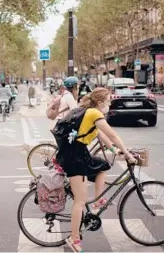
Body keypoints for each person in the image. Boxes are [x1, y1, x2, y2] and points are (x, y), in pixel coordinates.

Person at [57, 88, 137, 252]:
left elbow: (101, 135)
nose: (109, 104)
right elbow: (113, 135)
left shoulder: (88, 111)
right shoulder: (94, 113)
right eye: (108, 101)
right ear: (100, 102)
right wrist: (127, 154)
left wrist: (115, 151)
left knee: (102, 165)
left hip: (79, 153)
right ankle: (74, 239)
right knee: (80, 201)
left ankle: (98, 201)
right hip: (75, 157)